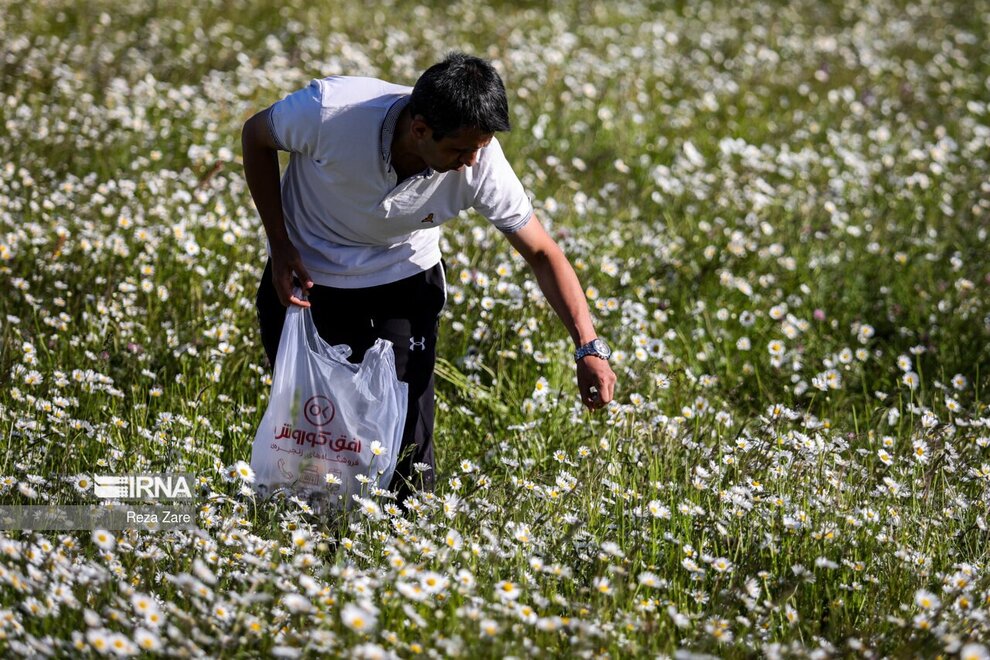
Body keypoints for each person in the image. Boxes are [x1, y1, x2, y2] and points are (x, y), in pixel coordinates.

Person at [242, 52, 616, 500]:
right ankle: (313, 538)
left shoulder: (481, 163)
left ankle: (403, 535)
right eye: (460, 149)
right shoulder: (328, 112)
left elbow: (541, 251)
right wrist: (279, 244)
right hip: (310, 279)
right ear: (419, 130)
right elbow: (255, 135)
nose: (471, 163)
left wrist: (587, 346)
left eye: (480, 148)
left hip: (404, 279)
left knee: (408, 441)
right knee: (313, 431)